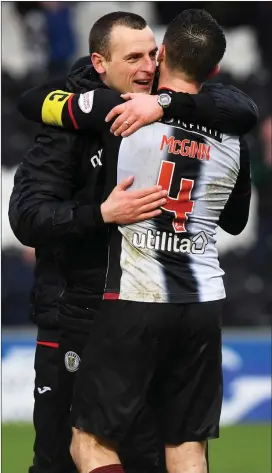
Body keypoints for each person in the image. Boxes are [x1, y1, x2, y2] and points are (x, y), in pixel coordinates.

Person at [10, 11, 257, 473]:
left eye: (152, 54)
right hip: (77, 319)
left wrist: (164, 104)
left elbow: (241, 108)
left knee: (122, 452)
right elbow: (27, 218)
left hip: (138, 309)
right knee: (64, 460)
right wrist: (99, 214)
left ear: (165, 53)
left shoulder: (165, 115)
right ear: (100, 64)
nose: (147, 65)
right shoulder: (77, 121)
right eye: (134, 57)